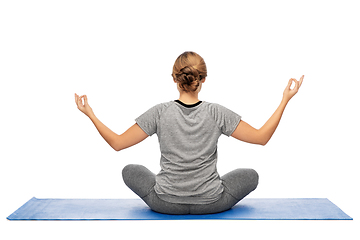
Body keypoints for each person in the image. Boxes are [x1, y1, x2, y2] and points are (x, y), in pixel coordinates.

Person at [75, 51, 304, 215]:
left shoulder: (159, 112)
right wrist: (285, 99)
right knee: (251, 175)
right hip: (212, 203)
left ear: (174, 79)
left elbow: (117, 143)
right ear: (203, 79)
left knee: (130, 171)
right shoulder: (216, 112)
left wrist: (91, 114)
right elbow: (261, 137)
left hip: (164, 202)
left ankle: (173, 190)